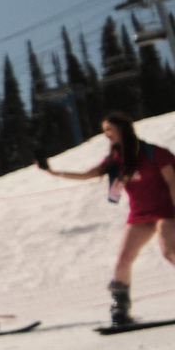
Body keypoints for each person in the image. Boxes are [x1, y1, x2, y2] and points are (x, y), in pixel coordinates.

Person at [37, 111, 175, 329]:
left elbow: (172, 183)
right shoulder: (116, 159)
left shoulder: (154, 153)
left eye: (109, 130)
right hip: (139, 215)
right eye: (104, 131)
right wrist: (54, 173)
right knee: (123, 260)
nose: (106, 135)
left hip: (166, 211)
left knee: (170, 252)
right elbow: (88, 174)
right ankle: (120, 309)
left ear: (122, 129)